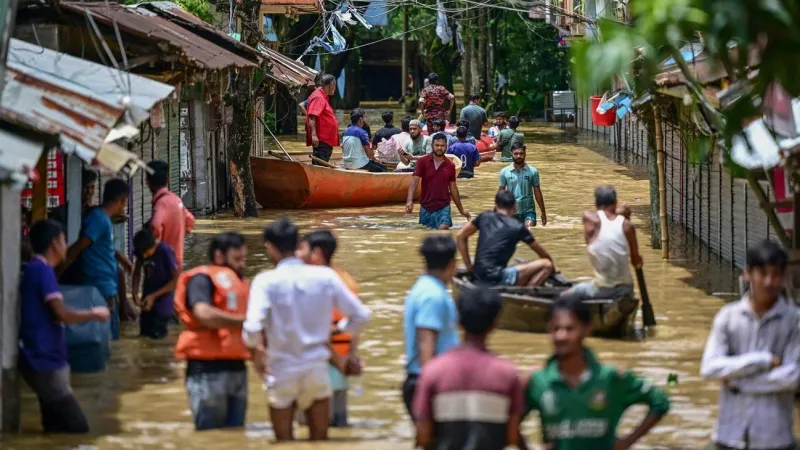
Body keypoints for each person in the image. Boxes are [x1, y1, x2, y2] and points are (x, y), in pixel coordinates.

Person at [243, 217, 370, 442]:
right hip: (316, 368)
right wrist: (338, 330)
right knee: (320, 440)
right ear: (298, 242)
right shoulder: (325, 277)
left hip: (281, 369)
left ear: (269, 247)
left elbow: (253, 327)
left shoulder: (265, 281)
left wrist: (257, 355)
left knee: (283, 442)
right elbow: (360, 315)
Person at [521, 299, 670, 450]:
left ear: (587, 330)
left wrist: (627, 442)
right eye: (555, 329)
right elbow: (510, 425)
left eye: (569, 329)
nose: (561, 336)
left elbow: (660, 401)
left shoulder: (611, 377)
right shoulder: (537, 380)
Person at [701, 240, 800, 450]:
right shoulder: (727, 317)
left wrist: (739, 382)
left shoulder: (795, 320)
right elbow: (709, 368)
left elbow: (792, 376)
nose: (768, 281)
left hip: (776, 439)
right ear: (747, 274)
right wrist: (761, 360)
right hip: (728, 437)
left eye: (775, 275)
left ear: (783, 278)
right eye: (762, 273)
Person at [19, 219, 110, 433]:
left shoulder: (35, 269)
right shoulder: (42, 271)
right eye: (63, 240)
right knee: (78, 429)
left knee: (54, 429)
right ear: (54, 243)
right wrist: (94, 313)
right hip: (45, 361)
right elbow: (61, 314)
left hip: (38, 358)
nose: (66, 246)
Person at [413, 286, 523, 450]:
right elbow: (512, 436)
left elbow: (423, 435)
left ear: (458, 322)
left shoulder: (433, 371)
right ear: (494, 325)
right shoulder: (508, 374)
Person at [174, 232, 251, 431]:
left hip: (237, 369)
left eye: (244, 259)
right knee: (210, 434)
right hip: (206, 371)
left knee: (235, 436)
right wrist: (244, 321)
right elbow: (203, 314)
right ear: (219, 256)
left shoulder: (241, 284)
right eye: (237, 259)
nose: (242, 264)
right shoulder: (201, 279)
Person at [296, 230, 363, 427]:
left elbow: (313, 330)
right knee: (338, 427)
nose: (299, 254)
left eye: (302, 249)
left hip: (318, 364)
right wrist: (350, 359)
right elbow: (356, 324)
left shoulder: (309, 283)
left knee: (310, 430)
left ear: (316, 252)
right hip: (342, 365)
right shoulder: (347, 280)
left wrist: (339, 362)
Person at [60, 178, 133, 341]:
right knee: (105, 338)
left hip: (104, 286)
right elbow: (78, 248)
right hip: (100, 288)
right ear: (122, 200)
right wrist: (56, 272)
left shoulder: (102, 219)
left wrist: (119, 255)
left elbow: (96, 247)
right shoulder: (99, 219)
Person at [402, 235, 461, 419]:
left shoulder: (424, 287)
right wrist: (429, 395)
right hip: (428, 383)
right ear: (452, 263)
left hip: (427, 381)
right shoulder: (433, 295)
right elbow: (426, 345)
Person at [559, 185, 641, 302]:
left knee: (564, 297)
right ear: (615, 202)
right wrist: (622, 212)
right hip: (626, 289)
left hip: (602, 289)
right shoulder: (628, 226)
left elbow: (590, 214)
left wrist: (620, 211)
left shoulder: (590, 220)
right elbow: (636, 261)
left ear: (596, 203)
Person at [457, 190, 555, 287]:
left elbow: (460, 235)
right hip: (497, 278)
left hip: (478, 276)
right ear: (514, 207)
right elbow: (543, 254)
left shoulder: (485, 216)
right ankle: (528, 294)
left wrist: (469, 267)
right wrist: (554, 271)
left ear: (495, 205)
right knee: (547, 264)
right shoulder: (518, 226)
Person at [405, 133, 471, 230]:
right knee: (425, 233)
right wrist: (409, 201)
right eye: (437, 145)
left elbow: (453, 188)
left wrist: (461, 210)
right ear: (432, 146)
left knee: (443, 228)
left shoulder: (450, 165)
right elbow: (414, 182)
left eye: (442, 145)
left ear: (446, 147)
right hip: (426, 206)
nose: (439, 148)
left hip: (443, 206)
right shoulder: (422, 161)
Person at [132, 227, 178, 340]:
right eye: (141, 254)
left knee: (158, 337)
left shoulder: (165, 251)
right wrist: (135, 293)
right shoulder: (141, 251)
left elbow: (175, 280)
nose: (144, 257)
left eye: (146, 253)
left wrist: (153, 297)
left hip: (163, 301)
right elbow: (136, 273)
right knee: (144, 336)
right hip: (146, 299)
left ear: (153, 246)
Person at [147, 160, 195, 269]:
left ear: (147, 181)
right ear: (168, 180)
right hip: (177, 262)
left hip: (162, 264)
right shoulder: (176, 200)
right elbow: (190, 221)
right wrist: (176, 237)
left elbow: (155, 226)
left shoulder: (161, 203)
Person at [499, 143, 548, 227]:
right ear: (511, 154)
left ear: (525, 154)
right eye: (516, 154)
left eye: (521, 153)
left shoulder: (533, 171)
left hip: (529, 211)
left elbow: (537, 193)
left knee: (529, 230)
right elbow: (501, 193)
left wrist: (543, 212)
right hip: (511, 212)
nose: (519, 156)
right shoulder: (504, 172)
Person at [306, 74, 340, 164]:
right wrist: (314, 135)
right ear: (331, 84)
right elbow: (312, 116)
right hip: (322, 139)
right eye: (335, 85)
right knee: (320, 164)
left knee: (322, 162)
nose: (335, 88)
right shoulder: (319, 97)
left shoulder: (322, 96)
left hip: (325, 139)